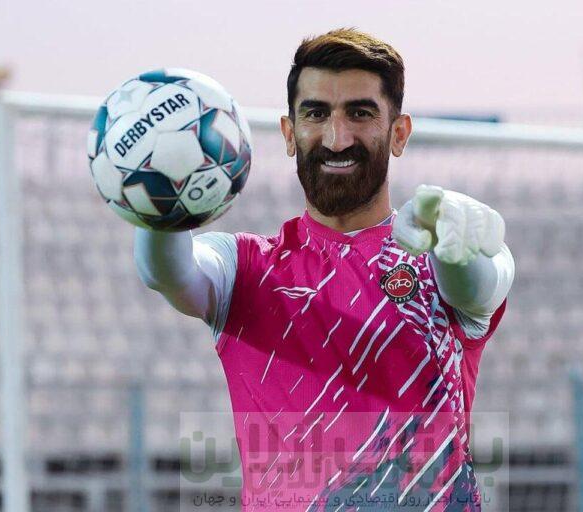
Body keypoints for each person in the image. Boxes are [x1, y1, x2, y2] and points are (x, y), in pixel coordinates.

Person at [135, 28, 515, 511]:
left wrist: (459, 253)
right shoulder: (245, 269)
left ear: (399, 133)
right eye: (316, 113)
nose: (338, 138)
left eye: (360, 113)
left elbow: (480, 284)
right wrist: (158, 199)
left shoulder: (440, 251)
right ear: (289, 133)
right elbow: (167, 272)